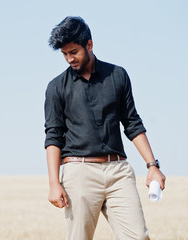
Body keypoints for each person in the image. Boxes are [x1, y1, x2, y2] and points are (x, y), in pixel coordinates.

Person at [44, 16, 166, 240]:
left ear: (89, 45)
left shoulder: (118, 75)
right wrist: (53, 183)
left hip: (118, 172)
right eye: (64, 54)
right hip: (79, 173)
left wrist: (152, 165)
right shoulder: (55, 88)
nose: (69, 59)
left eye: (74, 52)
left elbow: (132, 122)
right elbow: (53, 136)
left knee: (138, 237)